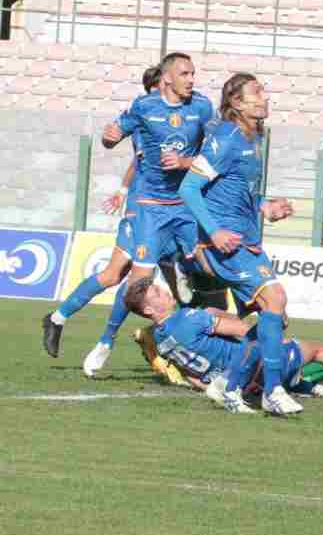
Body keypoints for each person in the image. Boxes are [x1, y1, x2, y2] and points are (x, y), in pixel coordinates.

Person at [79, 53, 214, 377]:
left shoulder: (202, 107)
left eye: (193, 73)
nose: (191, 79)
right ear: (166, 78)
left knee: (210, 272)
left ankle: (212, 345)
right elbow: (113, 136)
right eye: (185, 73)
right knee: (138, 283)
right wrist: (108, 137)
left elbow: (216, 150)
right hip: (151, 208)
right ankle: (105, 342)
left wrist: (185, 162)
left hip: (185, 202)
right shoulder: (144, 107)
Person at [178, 72, 303, 416]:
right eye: (257, 92)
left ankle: (229, 386)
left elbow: (240, 191)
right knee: (275, 299)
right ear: (235, 102)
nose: (265, 96)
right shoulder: (226, 136)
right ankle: (272, 391)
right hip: (225, 244)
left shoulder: (255, 136)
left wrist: (266, 206)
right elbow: (188, 188)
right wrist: (214, 231)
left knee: (271, 320)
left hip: (246, 241)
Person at [122, 279, 323, 414]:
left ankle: (306, 387)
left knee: (288, 362)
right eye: (157, 293)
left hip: (233, 383)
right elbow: (243, 331)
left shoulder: (159, 340)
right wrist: (273, 337)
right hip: (254, 371)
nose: (165, 291)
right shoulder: (188, 318)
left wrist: (210, 388)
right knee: (316, 349)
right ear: (148, 309)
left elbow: (191, 375)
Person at [43, 65, 162, 361]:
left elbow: (139, 161)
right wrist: (125, 192)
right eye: (162, 86)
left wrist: (121, 190)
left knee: (114, 275)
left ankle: (58, 319)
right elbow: (138, 157)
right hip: (144, 208)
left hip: (168, 208)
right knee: (127, 278)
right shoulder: (147, 115)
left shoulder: (179, 117)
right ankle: (105, 341)